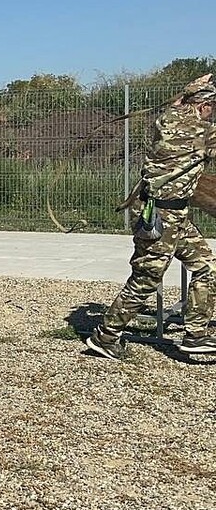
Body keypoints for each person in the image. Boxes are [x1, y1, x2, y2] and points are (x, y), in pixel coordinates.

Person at [86, 74, 216, 359]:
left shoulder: (168, 120)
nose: (212, 113)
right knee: (146, 278)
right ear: (202, 105)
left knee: (206, 265)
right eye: (211, 107)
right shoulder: (202, 133)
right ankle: (106, 335)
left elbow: (180, 103)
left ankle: (196, 334)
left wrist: (192, 88)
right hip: (161, 214)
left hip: (174, 214)